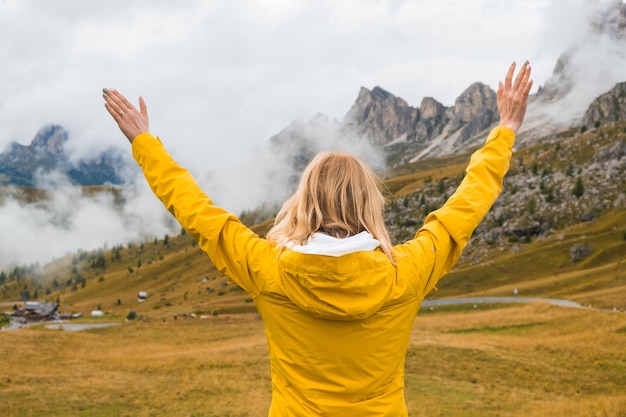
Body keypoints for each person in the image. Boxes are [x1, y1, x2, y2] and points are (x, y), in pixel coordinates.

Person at [103, 62, 532, 416]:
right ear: (369, 204)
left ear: (304, 200)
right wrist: (506, 128)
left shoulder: (268, 269)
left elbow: (197, 211)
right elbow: (465, 207)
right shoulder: (407, 272)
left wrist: (144, 142)